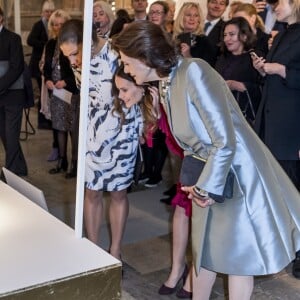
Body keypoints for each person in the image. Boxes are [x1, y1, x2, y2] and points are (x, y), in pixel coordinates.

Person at [112, 21, 300, 299]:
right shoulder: (167, 81)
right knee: (204, 253)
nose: (126, 68)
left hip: (235, 175)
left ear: (144, 56)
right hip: (207, 179)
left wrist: (206, 187)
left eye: (127, 62)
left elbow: (224, 140)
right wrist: (196, 183)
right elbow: (192, 144)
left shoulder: (194, 71)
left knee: (238, 260)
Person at [59, 18, 143, 260]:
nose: (73, 60)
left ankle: (115, 250)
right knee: (92, 191)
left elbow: (139, 88)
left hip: (122, 128)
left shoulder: (118, 53)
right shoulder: (77, 63)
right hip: (92, 131)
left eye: (75, 53)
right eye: (67, 56)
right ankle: (93, 251)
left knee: (118, 192)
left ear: (88, 40)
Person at [252, 0, 300, 279]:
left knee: (294, 193)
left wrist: (280, 70)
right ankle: (286, 248)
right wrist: (264, 69)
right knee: (281, 192)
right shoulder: (282, 33)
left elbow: (290, 74)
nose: (273, 7)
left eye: (278, 2)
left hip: (292, 127)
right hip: (274, 124)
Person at [43, 9, 79, 178]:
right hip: (56, 94)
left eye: (61, 24)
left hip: (70, 92)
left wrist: (66, 81)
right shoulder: (50, 44)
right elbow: (46, 67)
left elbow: (77, 68)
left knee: (73, 128)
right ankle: (62, 160)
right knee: (59, 126)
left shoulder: (75, 43)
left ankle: (75, 164)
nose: (58, 27)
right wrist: (48, 80)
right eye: (55, 25)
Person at [215, 17, 262, 125]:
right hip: (221, 115)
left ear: (244, 36)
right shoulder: (222, 58)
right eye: (225, 35)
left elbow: (263, 88)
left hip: (245, 121)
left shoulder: (255, 57)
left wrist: (239, 85)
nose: (226, 39)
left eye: (231, 34)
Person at [0, 6, 28, 177]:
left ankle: (9, 175)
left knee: (11, 136)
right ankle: (20, 167)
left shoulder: (13, 38)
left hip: (13, 95)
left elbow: (17, 67)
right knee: (5, 135)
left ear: (1, 17)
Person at [27, 0, 55, 130]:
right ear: (43, 12)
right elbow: (30, 40)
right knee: (42, 95)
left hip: (48, 64)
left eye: (51, 11)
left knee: (48, 95)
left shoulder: (53, 25)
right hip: (38, 64)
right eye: (47, 11)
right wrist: (45, 45)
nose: (49, 14)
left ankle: (48, 119)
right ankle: (42, 121)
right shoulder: (38, 25)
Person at [173, 2, 216, 66]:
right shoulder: (174, 39)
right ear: (181, 17)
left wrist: (188, 56)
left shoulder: (205, 42)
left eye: (196, 16)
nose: (192, 19)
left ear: (199, 20)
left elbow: (207, 71)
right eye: (188, 15)